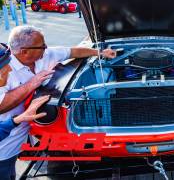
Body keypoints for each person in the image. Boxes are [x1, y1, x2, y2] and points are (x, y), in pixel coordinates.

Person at [0, 26, 117, 178]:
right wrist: (33, 83)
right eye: (42, 46)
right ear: (24, 51)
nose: (46, 48)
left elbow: (73, 51)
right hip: (5, 144)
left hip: (27, 132)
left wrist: (100, 52)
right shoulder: (4, 69)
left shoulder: (45, 54)